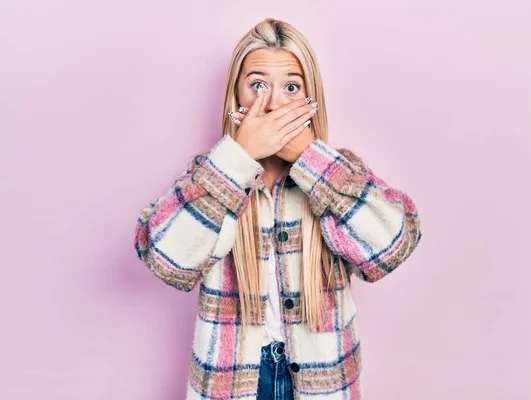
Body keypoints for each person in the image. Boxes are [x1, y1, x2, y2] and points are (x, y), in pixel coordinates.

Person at [133, 17, 422, 400]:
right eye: (257, 85)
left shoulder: (338, 172)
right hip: (232, 383)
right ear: (236, 97)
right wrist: (238, 158)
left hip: (325, 383)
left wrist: (307, 155)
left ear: (310, 99)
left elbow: (393, 246)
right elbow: (165, 259)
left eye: (291, 87)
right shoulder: (211, 176)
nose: (272, 103)